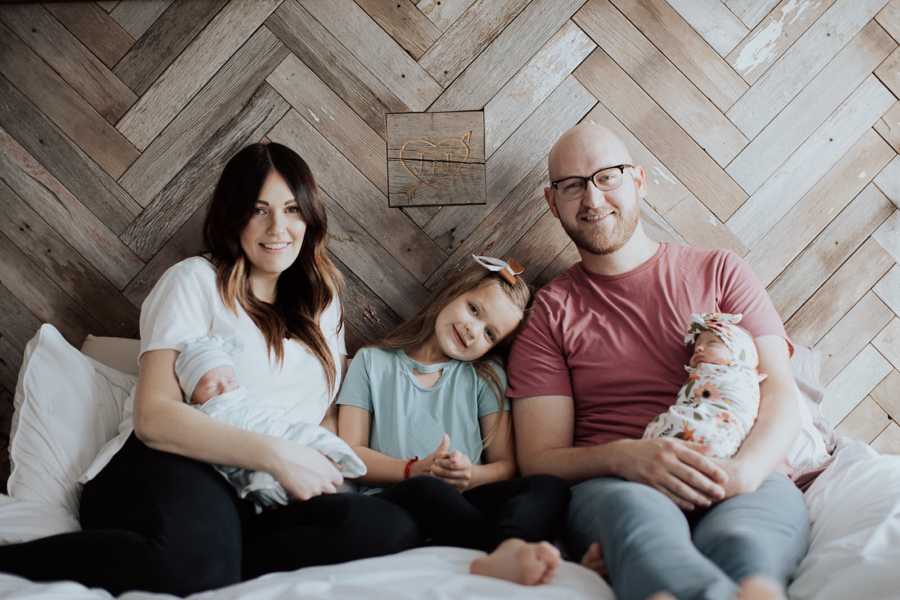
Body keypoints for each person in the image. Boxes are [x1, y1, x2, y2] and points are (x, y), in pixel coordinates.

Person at [0, 143, 419, 595]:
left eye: (292, 209)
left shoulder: (324, 304)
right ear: (232, 216)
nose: (278, 228)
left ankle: (219, 550)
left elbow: (317, 417)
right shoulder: (194, 281)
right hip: (168, 464)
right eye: (259, 210)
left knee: (387, 528)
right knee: (196, 572)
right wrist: (275, 455)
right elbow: (155, 418)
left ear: (310, 217)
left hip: (256, 492)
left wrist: (351, 468)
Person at [507, 123, 809, 600]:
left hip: (742, 469)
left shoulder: (720, 271)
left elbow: (781, 393)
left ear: (639, 181)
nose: (592, 199)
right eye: (571, 185)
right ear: (552, 202)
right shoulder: (550, 311)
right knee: (643, 530)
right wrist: (624, 457)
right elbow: (539, 459)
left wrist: (744, 473)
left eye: (607, 176)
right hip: (618, 487)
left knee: (744, 541)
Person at [337, 256, 570, 586]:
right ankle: (495, 550)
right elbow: (352, 452)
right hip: (398, 496)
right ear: (453, 291)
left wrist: (469, 475)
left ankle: (509, 546)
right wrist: (412, 470)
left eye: (490, 334)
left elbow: (506, 466)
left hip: (466, 499)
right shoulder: (371, 362)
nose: (473, 330)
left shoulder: (486, 377)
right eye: (474, 310)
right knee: (427, 489)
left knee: (548, 486)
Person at [174, 335, 366, 511]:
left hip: (278, 431)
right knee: (259, 479)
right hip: (246, 453)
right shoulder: (200, 414)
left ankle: (342, 460)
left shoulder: (242, 397)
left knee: (308, 434)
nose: (224, 388)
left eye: (231, 381)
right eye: (211, 386)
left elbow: (266, 415)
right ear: (192, 396)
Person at [643, 312, 766, 459]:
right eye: (696, 348)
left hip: (720, 425)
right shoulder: (702, 371)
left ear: (738, 351)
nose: (700, 348)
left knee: (667, 428)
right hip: (697, 417)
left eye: (712, 343)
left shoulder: (740, 374)